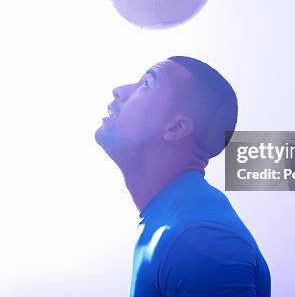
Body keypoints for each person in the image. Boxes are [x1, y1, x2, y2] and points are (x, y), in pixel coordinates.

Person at [95, 56, 271, 297]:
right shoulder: (175, 229)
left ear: (175, 128)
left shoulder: (197, 239)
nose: (119, 91)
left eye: (146, 83)